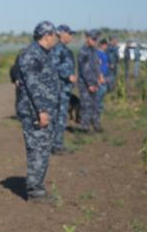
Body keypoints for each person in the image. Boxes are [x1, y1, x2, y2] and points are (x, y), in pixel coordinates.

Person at [14, 21, 60, 203]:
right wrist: (41, 110)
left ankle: (37, 187)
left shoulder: (43, 54)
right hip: (35, 112)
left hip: (44, 110)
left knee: (43, 149)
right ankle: (35, 192)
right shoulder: (31, 55)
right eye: (54, 35)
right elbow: (33, 86)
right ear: (47, 35)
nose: (56, 38)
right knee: (38, 151)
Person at [50, 25, 77, 155]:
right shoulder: (57, 49)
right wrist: (67, 75)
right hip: (59, 89)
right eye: (69, 33)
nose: (71, 36)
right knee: (59, 117)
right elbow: (54, 66)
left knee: (61, 117)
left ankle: (58, 144)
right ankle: (56, 145)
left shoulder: (65, 49)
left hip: (65, 89)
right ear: (61, 34)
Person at [77, 30, 103, 133]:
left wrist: (99, 76)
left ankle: (96, 124)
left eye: (96, 39)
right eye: (93, 39)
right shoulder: (83, 51)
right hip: (85, 84)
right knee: (86, 105)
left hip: (94, 82)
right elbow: (85, 70)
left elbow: (96, 66)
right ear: (87, 38)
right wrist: (90, 84)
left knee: (95, 105)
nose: (95, 41)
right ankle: (85, 127)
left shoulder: (94, 51)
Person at [96, 38, 110, 114]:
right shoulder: (98, 53)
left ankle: (100, 105)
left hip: (105, 74)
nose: (106, 46)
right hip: (100, 75)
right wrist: (100, 76)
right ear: (101, 45)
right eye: (105, 45)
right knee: (101, 90)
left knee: (103, 90)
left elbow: (104, 62)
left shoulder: (104, 53)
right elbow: (97, 65)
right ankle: (98, 106)